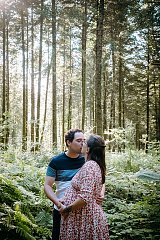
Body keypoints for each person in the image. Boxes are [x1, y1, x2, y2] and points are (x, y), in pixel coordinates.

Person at [44, 129, 105, 240]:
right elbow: (47, 186)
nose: (82, 143)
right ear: (68, 142)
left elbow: (100, 177)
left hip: (82, 212)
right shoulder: (56, 161)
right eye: (78, 140)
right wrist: (58, 204)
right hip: (62, 208)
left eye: (84, 140)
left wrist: (100, 193)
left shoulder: (87, 160)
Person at [59, 134, 110, 240]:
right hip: (82, 215)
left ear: (88, 149)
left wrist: (66, 209)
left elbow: (85, 198)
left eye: (84, 143)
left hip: (83, 217)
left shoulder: (90, 166)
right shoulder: (93, 165)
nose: (82, 144)